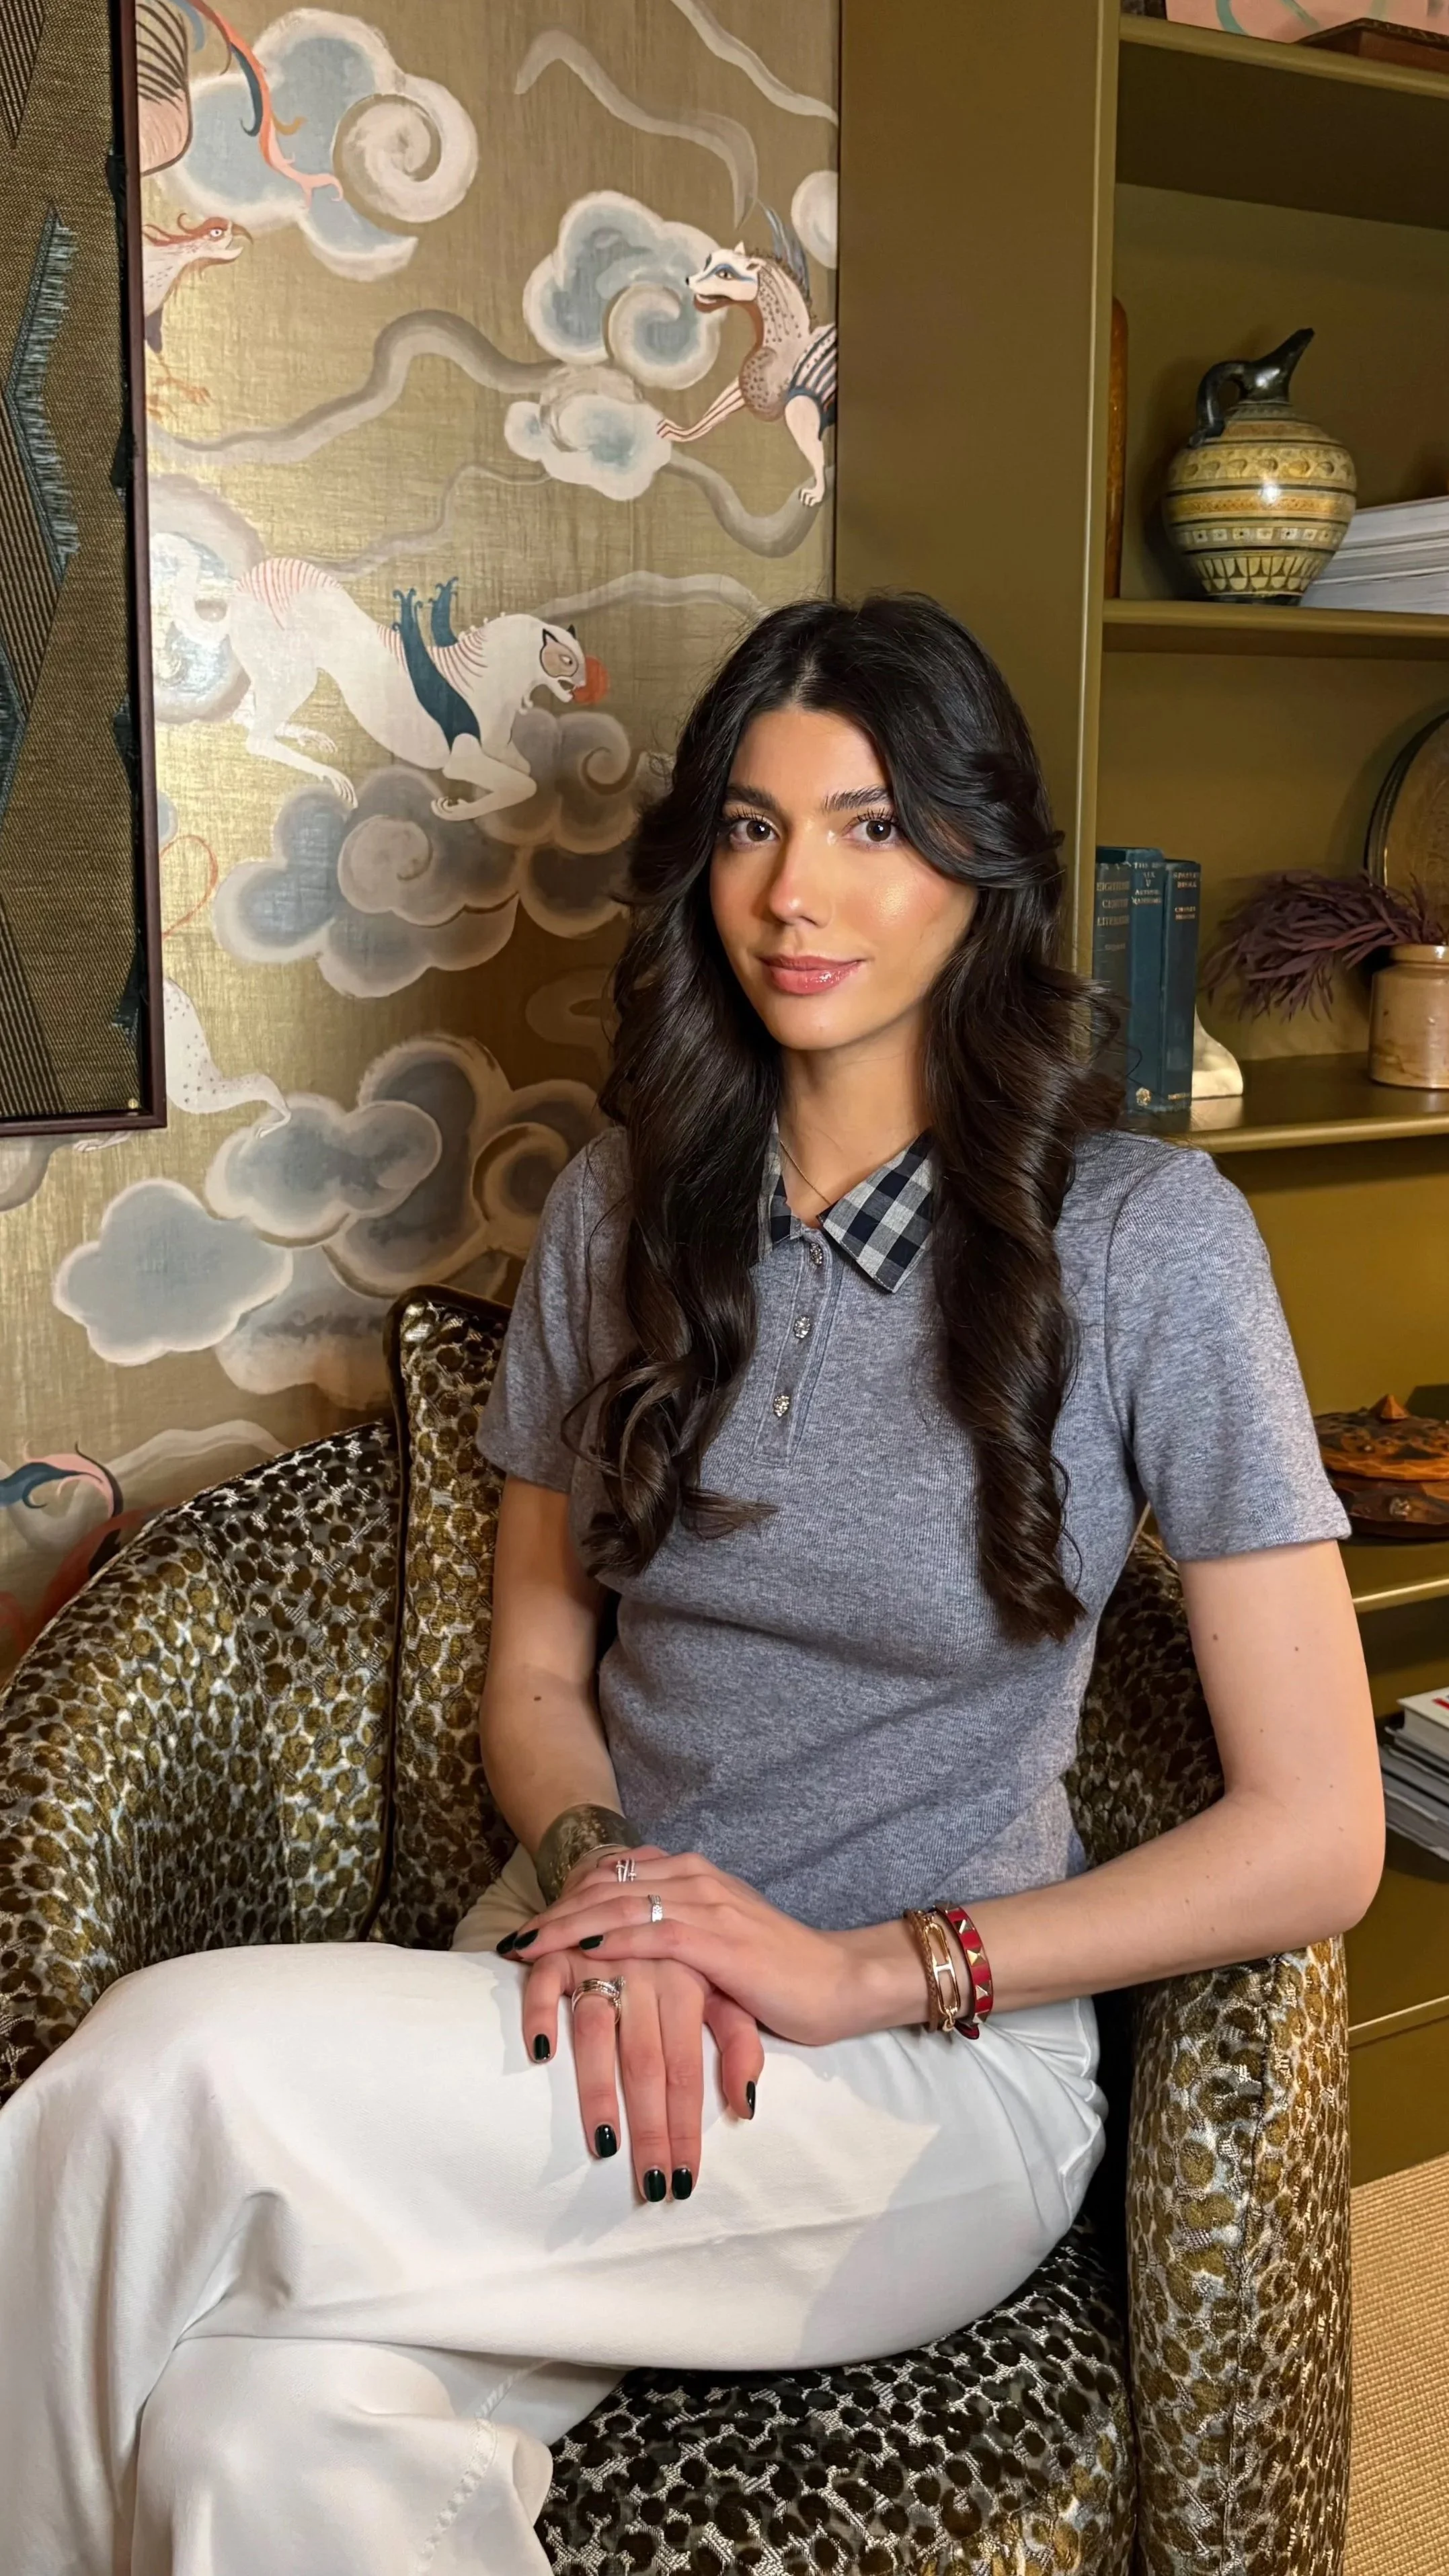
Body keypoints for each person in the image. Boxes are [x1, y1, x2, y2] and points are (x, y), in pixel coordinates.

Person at [0, 593, 1382, 2576]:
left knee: (159, 2075)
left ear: (982, 863)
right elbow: (535, 1672)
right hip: (582, 1972)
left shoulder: (1154, 1241)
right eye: (751, 825)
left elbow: (1322, 1835)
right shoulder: (622, 1205)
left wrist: (861, 1971)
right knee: (253, 2428)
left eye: (872, 826)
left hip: (913, 2072)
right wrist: (609, 1891)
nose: (795, 893)